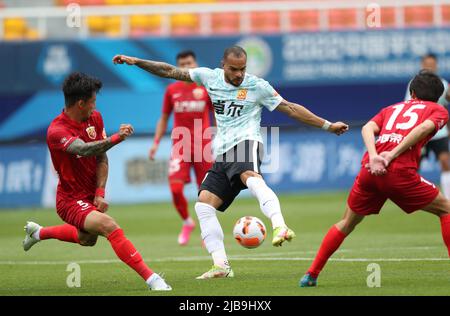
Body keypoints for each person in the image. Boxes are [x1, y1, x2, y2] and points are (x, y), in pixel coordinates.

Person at [112, 46, 349, 279]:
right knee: (203, 204)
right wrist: (136, 61)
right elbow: (170, 71)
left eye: (242, 69)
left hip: (248, 141)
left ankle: (280, 225)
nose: (239, 74)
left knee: (249, 176)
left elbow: (290, 109)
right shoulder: (210, 77)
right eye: (234, 69)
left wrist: (327, 125)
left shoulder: (257, 85)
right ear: (223, 65)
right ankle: (221, 265)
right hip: (223, 152)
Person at [22, 72, 171, 291]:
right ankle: (153, 279)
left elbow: (101, 156)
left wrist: (100, 192)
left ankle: (38, 233)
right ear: (80, 103)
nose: (95, 106)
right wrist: (116, 138)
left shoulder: (95, 118)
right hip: (70, 200)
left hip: (90, 195)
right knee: (108, 226)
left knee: (87, 239)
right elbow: (82, 148)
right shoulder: (57, 131)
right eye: (92, 102)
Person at [300, 70, 450, 287]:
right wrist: (393, 154)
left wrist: (374, 156)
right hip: (399, 172)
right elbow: (425, 127)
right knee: (445, 210)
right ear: (439, 96)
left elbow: (368, 127)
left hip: (369, 170)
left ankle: (311, 275)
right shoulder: (438, 110)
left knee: (347, 222)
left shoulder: (392, 108)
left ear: (412, 92)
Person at [149, 50, 214, 246]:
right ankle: (187, 222)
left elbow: (218, 116)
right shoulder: (172, 90)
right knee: (176, 189)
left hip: (203, 146)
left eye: (190, 63)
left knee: (205, 191)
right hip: (180, 146)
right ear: (177, 67)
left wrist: (221, 139)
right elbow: (164, 117)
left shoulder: (205, 88)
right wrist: (155, 142)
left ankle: (207, 230)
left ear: (196, 64)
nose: (187, 67)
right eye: (183, 64)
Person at [405, 54, 450, 198]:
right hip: (420, 132)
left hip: (438, 132)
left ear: (436, 66)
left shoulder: (443, 84)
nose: (429, 67)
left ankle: (448, 196)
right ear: (422, 65)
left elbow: (445, 107)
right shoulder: (415, 84)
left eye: (432, 64)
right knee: (415, 166)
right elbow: (409, 108)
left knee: (445, 161)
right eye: (426, 64)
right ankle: (412, 195)